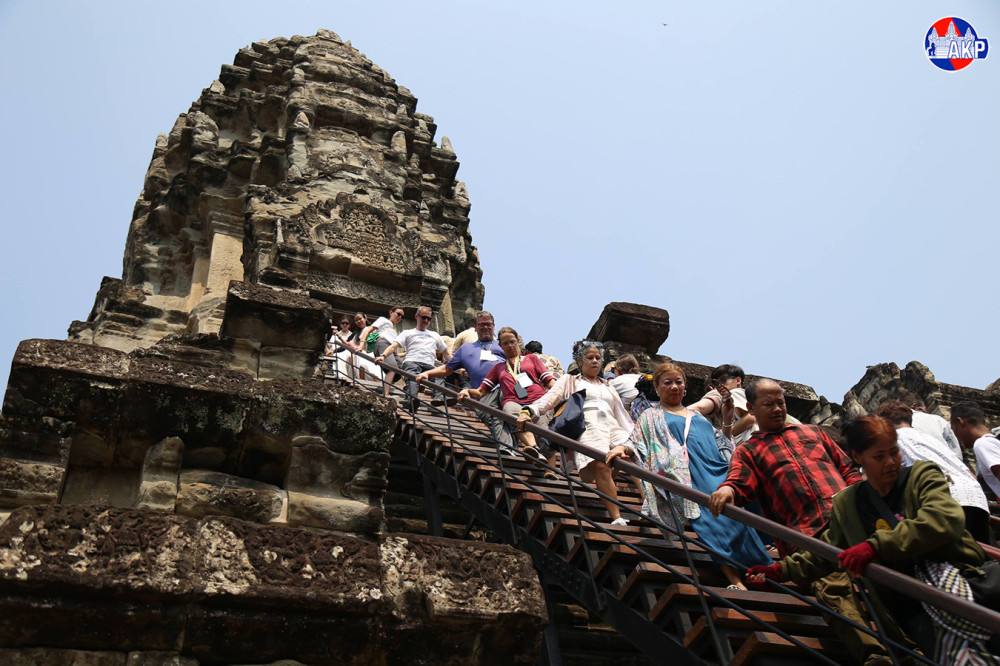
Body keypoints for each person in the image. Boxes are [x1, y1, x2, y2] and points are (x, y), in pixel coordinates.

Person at [747, 416, 996, 664]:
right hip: (912, 608)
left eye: (894, 453)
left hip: (962, 583)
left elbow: (943, 519)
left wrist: (874, 546)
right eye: (879, 456)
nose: (890, 463)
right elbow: (829, 551)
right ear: (857, 457)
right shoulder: (848, 504)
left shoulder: (922, 475)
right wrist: (781, 570)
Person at [708, 380, 885, 663]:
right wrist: (727, 489)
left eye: (781, 403)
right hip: (805, 537)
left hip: (850, 522)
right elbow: (739, 483)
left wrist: (865, 504)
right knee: (834, 592)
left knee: (882, 587)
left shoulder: (814, 432)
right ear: (751, 409)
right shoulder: (749, 450)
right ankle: (876, 656)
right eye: (769, 404)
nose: (778, 409)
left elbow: (850, 470)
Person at [630, 363, 770, 589]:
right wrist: (622, 449)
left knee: (736, 518)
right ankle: (734, 579)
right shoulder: (651, 415)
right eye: (667, 383)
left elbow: (723, 443)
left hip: (716, 468)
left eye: (678, 382)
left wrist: (725, 417)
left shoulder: (698, 416)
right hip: (688, 474)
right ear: (657, 388)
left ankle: (757, 570)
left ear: (685, 387)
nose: (674, 386)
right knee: (709, 522)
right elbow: (636, 441)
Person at [520, 340, 635, 526]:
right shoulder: (570, 380)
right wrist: (529, 410)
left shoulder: (608, 385)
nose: (595, 361)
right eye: (590, 358)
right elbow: (549, 398)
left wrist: (634, 435)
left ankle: (650, 505)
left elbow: (621, 413)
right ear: (580, 361)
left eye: (598, 357)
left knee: (633, 456)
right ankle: (616, 516)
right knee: (600, 464)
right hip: (588, 424)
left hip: (613, 425)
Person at [877, 400, 991, 543]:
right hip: (975, 497)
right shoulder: (930, 439)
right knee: (981, 553)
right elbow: (965, 468)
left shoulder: (894, 442)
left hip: (944, 499)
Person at [457, 326, 557, 475]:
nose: (510, 346)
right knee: (510, 411)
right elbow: (480, 391)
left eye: (512, 342)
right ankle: (533, 448)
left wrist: (557, 394)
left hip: (538, 400)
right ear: (501, 346)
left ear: (518, 342)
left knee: (543, 433)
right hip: (513, 400)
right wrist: (466, 391)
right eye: (505, 343)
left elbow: (549, 380)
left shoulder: (531, 359)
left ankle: (550, 468)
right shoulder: (499, 368)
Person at [415, 311, 513, 449]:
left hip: (507, 387)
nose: (485, 327)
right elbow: (447, 369)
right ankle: (510, 449)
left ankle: (509, 449)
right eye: (482, 325)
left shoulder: (502, 345)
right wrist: (428, 374)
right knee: (490, 415)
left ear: (494, 326)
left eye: (488, 324)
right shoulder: (466, 349)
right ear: (476, 327)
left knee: (514, 415)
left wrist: (523, 391)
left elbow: (517, 365)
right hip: (482, 392)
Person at [378, 306, 449, 411]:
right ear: (417, 316)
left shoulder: (434, 335)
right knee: (412, 375)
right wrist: (383, 356)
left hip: (429, 364)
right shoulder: (407, 333)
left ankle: (438, 398)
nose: (426, 321)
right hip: (412, 361)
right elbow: (394, 346)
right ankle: (412, 399)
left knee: (439, 374)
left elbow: (446, 353)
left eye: (429, 319)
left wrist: (458, 366)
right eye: (424, 317)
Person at [951, 401, 1000, 503]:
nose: (955, 435)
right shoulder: (993, 441)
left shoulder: (982, 444)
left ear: (960, 422)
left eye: (954, 429)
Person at [900, 392, 964, 461]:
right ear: (917, 406)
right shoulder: (938, 420)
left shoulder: (900, 425)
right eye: (925, 408)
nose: (927, 411)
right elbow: (956, 450)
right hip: (946, 464)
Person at [359, 307, 404, 397]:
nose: (400, 317)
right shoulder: (383, 320)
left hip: (390, 349)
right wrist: (361, 345)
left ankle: (386, 384)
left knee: (401, 369)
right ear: (391, 312)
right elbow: (368, 330)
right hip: (382, 343)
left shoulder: (394, 331)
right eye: (398, 314)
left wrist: (405, 354)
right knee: (392, 368)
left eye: (402, 316)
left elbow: (394, 351)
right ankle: (385, 394)